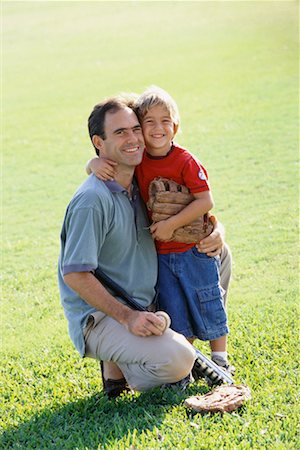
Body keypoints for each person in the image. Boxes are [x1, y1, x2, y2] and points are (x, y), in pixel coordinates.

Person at [86, 86, 234, 374]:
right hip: (155, 262)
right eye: (147, 123)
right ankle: (186, 361)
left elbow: (205, 201)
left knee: (207, 295)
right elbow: (107, 167)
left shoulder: (184, 160)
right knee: (175, 308)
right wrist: (92, 163)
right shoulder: (134, 165)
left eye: (164, 121)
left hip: (185, 248)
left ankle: (219, 357)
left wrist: (210, 227)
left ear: (176, 126)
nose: (155, 130)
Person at [58, 95, 197, 399]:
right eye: (120, 133)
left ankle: (135, 359)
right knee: (180, 360)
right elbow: (75, 275)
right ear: (99, 142)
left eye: (136, 129)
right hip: (102, 318)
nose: (133, 138)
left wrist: (215, 231)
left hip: (145, 304)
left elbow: (196, 205)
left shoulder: (144, 183)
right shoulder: (91, 202)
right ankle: (123, 369)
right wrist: (127, 317)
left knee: (217, 255)